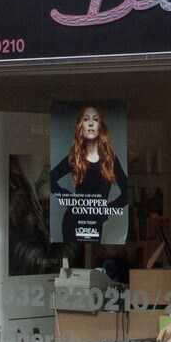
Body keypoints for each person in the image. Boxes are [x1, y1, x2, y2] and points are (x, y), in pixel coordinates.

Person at [50, 104, 129, 242]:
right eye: (86, 119)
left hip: (95, 225)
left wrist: (107, 209)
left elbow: (127, 192)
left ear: (100, 125)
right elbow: (51, 178)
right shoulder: (75, 157)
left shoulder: (110, 159)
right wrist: (67, 197)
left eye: (95, 119)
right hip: (73, 222)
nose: (91, 123)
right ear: (81, 125)